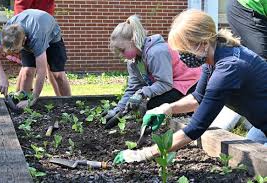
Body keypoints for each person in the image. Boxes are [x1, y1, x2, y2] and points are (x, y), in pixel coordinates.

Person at [113, 9, 267, 164]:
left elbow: (196, 127)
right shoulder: (214, 55)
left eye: (183, 50)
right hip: (261, 123)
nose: (181, 56)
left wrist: (144, 154)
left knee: (256, 162)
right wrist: (167, 108)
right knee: (249, 154)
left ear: (203, 43)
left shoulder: (228, 69)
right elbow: (198, 97)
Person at [104, 15, 202, 128]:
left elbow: (165, 83)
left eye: (122, 50)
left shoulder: (156, 52)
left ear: (133, 41)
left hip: (190, 82)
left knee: (153, 105)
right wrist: (118, 109)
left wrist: (142, 93)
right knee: (149, 105)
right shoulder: (133, 62)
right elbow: (133, 87)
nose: (121, 55)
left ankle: (186, 113)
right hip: (173, 84)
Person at [0, 9, 71, 109]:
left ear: (24, 40)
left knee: (58, 75)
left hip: (52, 35)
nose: (15, 53)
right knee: (27, 71)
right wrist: (3, 78)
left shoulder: (36, 38)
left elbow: (41, 70)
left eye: (17, 50)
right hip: (28, 29)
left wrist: (33, 98)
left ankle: (69, 105)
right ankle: (23, 105)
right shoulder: (7, 33)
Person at [13, 0, 61, 96]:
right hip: (29, 28)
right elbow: (21, 7)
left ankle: (61, 100)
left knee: (52, 68)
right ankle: (19, 98)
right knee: (28, 69)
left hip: (46, 26)